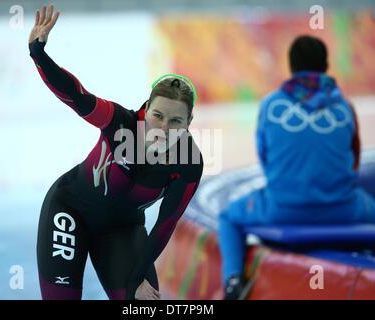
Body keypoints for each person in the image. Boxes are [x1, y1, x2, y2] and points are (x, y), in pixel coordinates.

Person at [29, 5, 203, 300]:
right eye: (158, 115)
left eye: (176, 121)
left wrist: (137, 278)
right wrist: (38, 52)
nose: (164, 127)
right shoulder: (119, 122)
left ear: (189, 123)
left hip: (121, 231)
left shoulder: (188, 163)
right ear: (146, 109)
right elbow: (76, 96)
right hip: (70, 211)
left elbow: (165, 225)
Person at [218, 35, 375, 300]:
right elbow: (354, 161)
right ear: (326, 65)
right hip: (344, 209)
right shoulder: (344, 107)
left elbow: (266, 159)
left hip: (281, 209)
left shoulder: (271, 105)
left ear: (290, 66)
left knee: (227, 218)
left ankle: (233, 281)